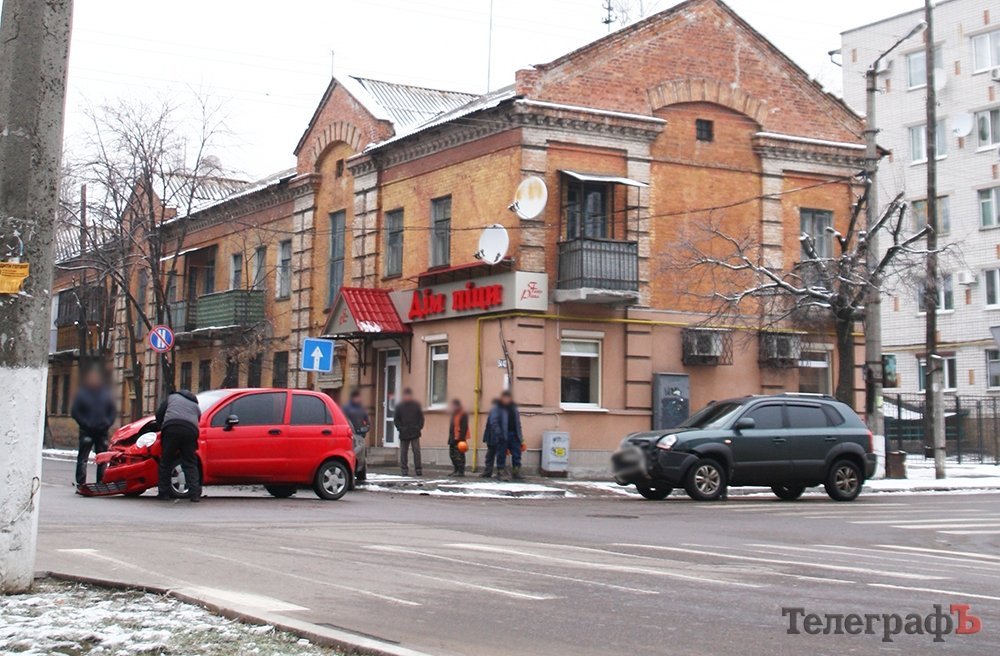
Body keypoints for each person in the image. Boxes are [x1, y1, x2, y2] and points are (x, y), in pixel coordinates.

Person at [71, 368, 117, 487]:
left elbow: (112, 411)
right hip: (86, 431)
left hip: (102, 431)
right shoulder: (83, 394)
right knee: (83, 458)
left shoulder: (105, 394)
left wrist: (107, 422)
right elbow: (75, 412)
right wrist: (85, 423)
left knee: (102, 458)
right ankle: (81, 482)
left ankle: (101, 481)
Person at [155, 389, 202, 502]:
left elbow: (159, 413)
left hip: (171, 428)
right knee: (190, 462)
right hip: (190, 431)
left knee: (166, 461)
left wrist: (160, 426)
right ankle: (194, 494)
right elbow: (198, 420)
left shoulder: (172, 398)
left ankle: (164, 493)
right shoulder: (196, 406)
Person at [485, 390, 525, 481]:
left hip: (514, 435)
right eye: (505, 398)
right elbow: (494, 422)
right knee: (501, 453)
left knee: (516, 454)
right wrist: (499, 433)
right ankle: (500, 471)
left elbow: (518, 423)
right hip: (503, 435)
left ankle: (516, 471)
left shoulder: (514, 409)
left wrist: (520, 436)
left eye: (508, 398)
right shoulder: (497, 408)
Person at [393, 387, 424, 476]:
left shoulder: (416, 405)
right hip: (404, 433)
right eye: (406, 395)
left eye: (408, 395)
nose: (407, 397)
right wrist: (400, 428)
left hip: (415, 432)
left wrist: (419, 427)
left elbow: (421, 418)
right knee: (404, 452)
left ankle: (418, 469)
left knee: (416, 451)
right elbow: (396, 420)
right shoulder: (400, 407)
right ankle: (404, 469)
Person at [447, 398, 469, 477]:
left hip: (459, 439)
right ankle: (456, 470)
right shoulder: (454, 414)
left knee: (459, 456)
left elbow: (464, 427)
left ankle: (460, 471)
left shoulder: (462, 414)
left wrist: (461, 438)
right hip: (453, 438)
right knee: (452, 455)